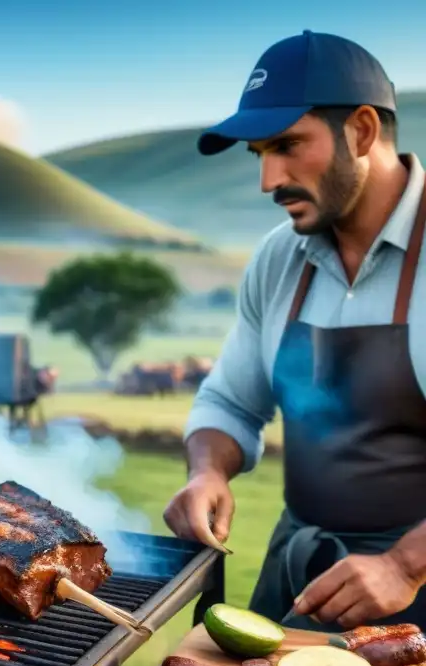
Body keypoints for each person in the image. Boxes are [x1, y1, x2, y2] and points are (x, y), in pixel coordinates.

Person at [162, 30, 426, 632]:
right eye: (259, 153)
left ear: (361, 131)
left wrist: (404, 566)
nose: (268, 179)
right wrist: (208, 469)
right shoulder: (279, 258)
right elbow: (229, 401)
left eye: (287, 145)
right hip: (302, 575)